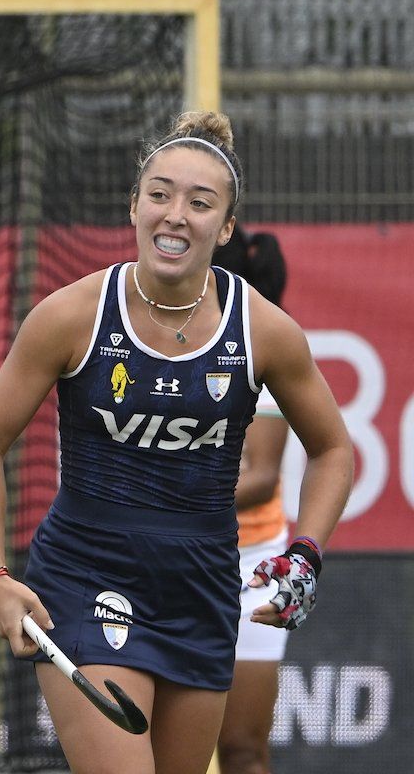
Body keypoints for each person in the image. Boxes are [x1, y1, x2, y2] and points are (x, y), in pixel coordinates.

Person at [0, 111, 354, 774]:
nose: (176, 215)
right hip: (87, 580)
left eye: (200, 203)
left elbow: (333, 450)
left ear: (225, 228)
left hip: (201, 591)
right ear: (134, 204)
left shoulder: (265, 330)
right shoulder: (72, 315)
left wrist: (305, 553)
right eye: (161, 194)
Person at [211, 226, 290, 774]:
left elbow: (261, 478)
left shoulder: (267, 350)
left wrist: (175, 493)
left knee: (242, 750)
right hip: (170, 555)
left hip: (252, 565)